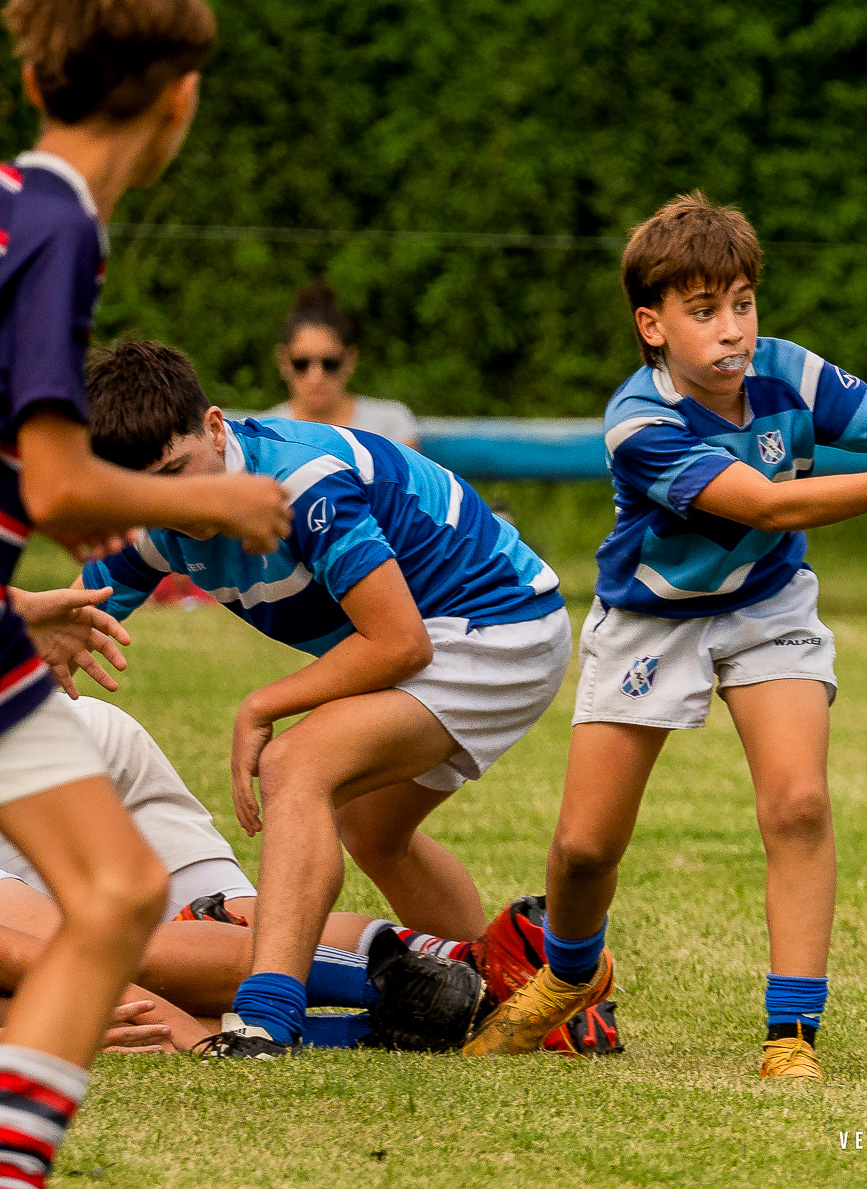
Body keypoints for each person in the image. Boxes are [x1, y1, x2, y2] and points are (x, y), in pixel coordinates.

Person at [462, 193, 867, 1079]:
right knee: (584, 848)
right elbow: (766, 502)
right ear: (652, 325)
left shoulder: (791, 373)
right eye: (704, 310)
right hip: (653, 620)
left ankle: (790, 1034)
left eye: (743, 302)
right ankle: (571, 973)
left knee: (797, 804)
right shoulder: (637, 423)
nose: (733, 329)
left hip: (768, 604)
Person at [77, 337, 570, 1058]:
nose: (179, 505)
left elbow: (400, 642)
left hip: (495, 623)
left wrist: (261, 705)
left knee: (297, 766)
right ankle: (516, 998)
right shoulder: (153, 525)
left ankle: (265, 1021)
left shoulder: (303, 483)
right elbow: (64, 634)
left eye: (182, 471)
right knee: (373, 833)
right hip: (438, 633)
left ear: (215, 427)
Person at [0, 1, 292, 1178]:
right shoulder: (65, 226)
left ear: (34, 78)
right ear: (183, 97)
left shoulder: (16, 200)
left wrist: (22, 611)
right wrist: (212, 501)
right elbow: (65, 486)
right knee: (114, 891)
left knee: (118, 890)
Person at [269, 281, 421, 448]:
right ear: (283, 360)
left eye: (330, 363)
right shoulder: (262, 433)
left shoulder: (390, 423)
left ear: (350, 359)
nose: (315, 377)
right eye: (301, 363)